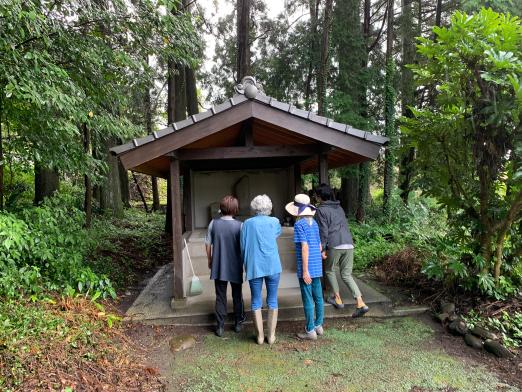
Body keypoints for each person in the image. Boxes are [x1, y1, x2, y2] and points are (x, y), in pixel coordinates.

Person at [314, 183, 369, 318]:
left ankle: (337, 299)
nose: (314, 196)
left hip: (335, 243)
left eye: (316, 194)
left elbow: (323, 230)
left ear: (320, 196)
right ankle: (361, 303)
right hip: (348, 243)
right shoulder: (339, 207)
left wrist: (322, 247)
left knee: (329, 270)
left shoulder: (321, 210)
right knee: (346, 274)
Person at [240, 194, 282, 345]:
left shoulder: (247, 223)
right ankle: (271, 336)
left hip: (254, 264)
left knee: (256, 299)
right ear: (269, 207)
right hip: (273, 264)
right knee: (272, 298)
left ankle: (259, 337)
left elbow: (243, 246)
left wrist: (244, 263)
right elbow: (276, 234)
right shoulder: (275, 221)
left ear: (254, 207)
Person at [285, 194, 324, 340]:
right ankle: (319, 325)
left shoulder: (299, 224)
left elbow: (304, 247)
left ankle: (310, 331)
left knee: (308, 298)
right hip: (317, 264)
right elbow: (319, 246)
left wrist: (305, 270)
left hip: (306, 267)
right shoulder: (314, 223)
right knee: (318, 297)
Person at [205, 195, 245, 337]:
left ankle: (220, 326)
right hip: (235, 264)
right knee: (237, 295)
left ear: (221, 208)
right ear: (235, 209)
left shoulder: (213, 223)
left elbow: (208, 244)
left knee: (220, 296)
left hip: (219, 264)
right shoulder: (240, 226)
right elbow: (243, 247)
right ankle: (238, 323)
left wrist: (210, 260)